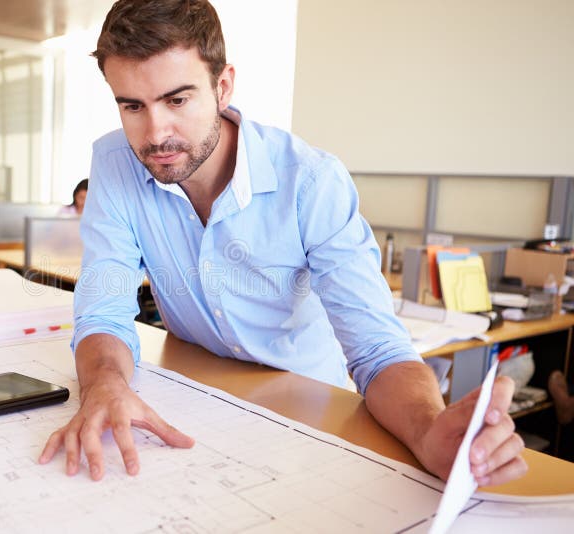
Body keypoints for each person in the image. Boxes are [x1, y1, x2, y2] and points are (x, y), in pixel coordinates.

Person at [39, 0, 526, 486]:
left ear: (223, 86)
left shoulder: (311, 181)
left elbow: (377, 351)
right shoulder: (115, 162)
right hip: (197, 399)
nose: (155, 133)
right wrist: (103, 384)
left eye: (178, 100)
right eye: (132, 106)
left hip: (311, 414)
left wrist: (426, 429)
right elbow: (104, 312)